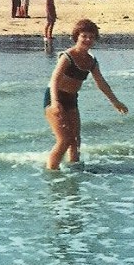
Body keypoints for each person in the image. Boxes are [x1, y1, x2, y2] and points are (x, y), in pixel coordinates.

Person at [43, 19, 128, 170]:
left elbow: (101, 83)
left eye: (91, 37)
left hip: (71, 99)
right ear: (77, 36)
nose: (88, 40)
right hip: (54, 97)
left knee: (75, 140)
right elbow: (54, 80)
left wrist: (116, 102)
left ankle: (74, 172)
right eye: (84, 36)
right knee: (64, 140)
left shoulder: (91, 61)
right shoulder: (67, 56)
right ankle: (52, 174)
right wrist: (56, 104)